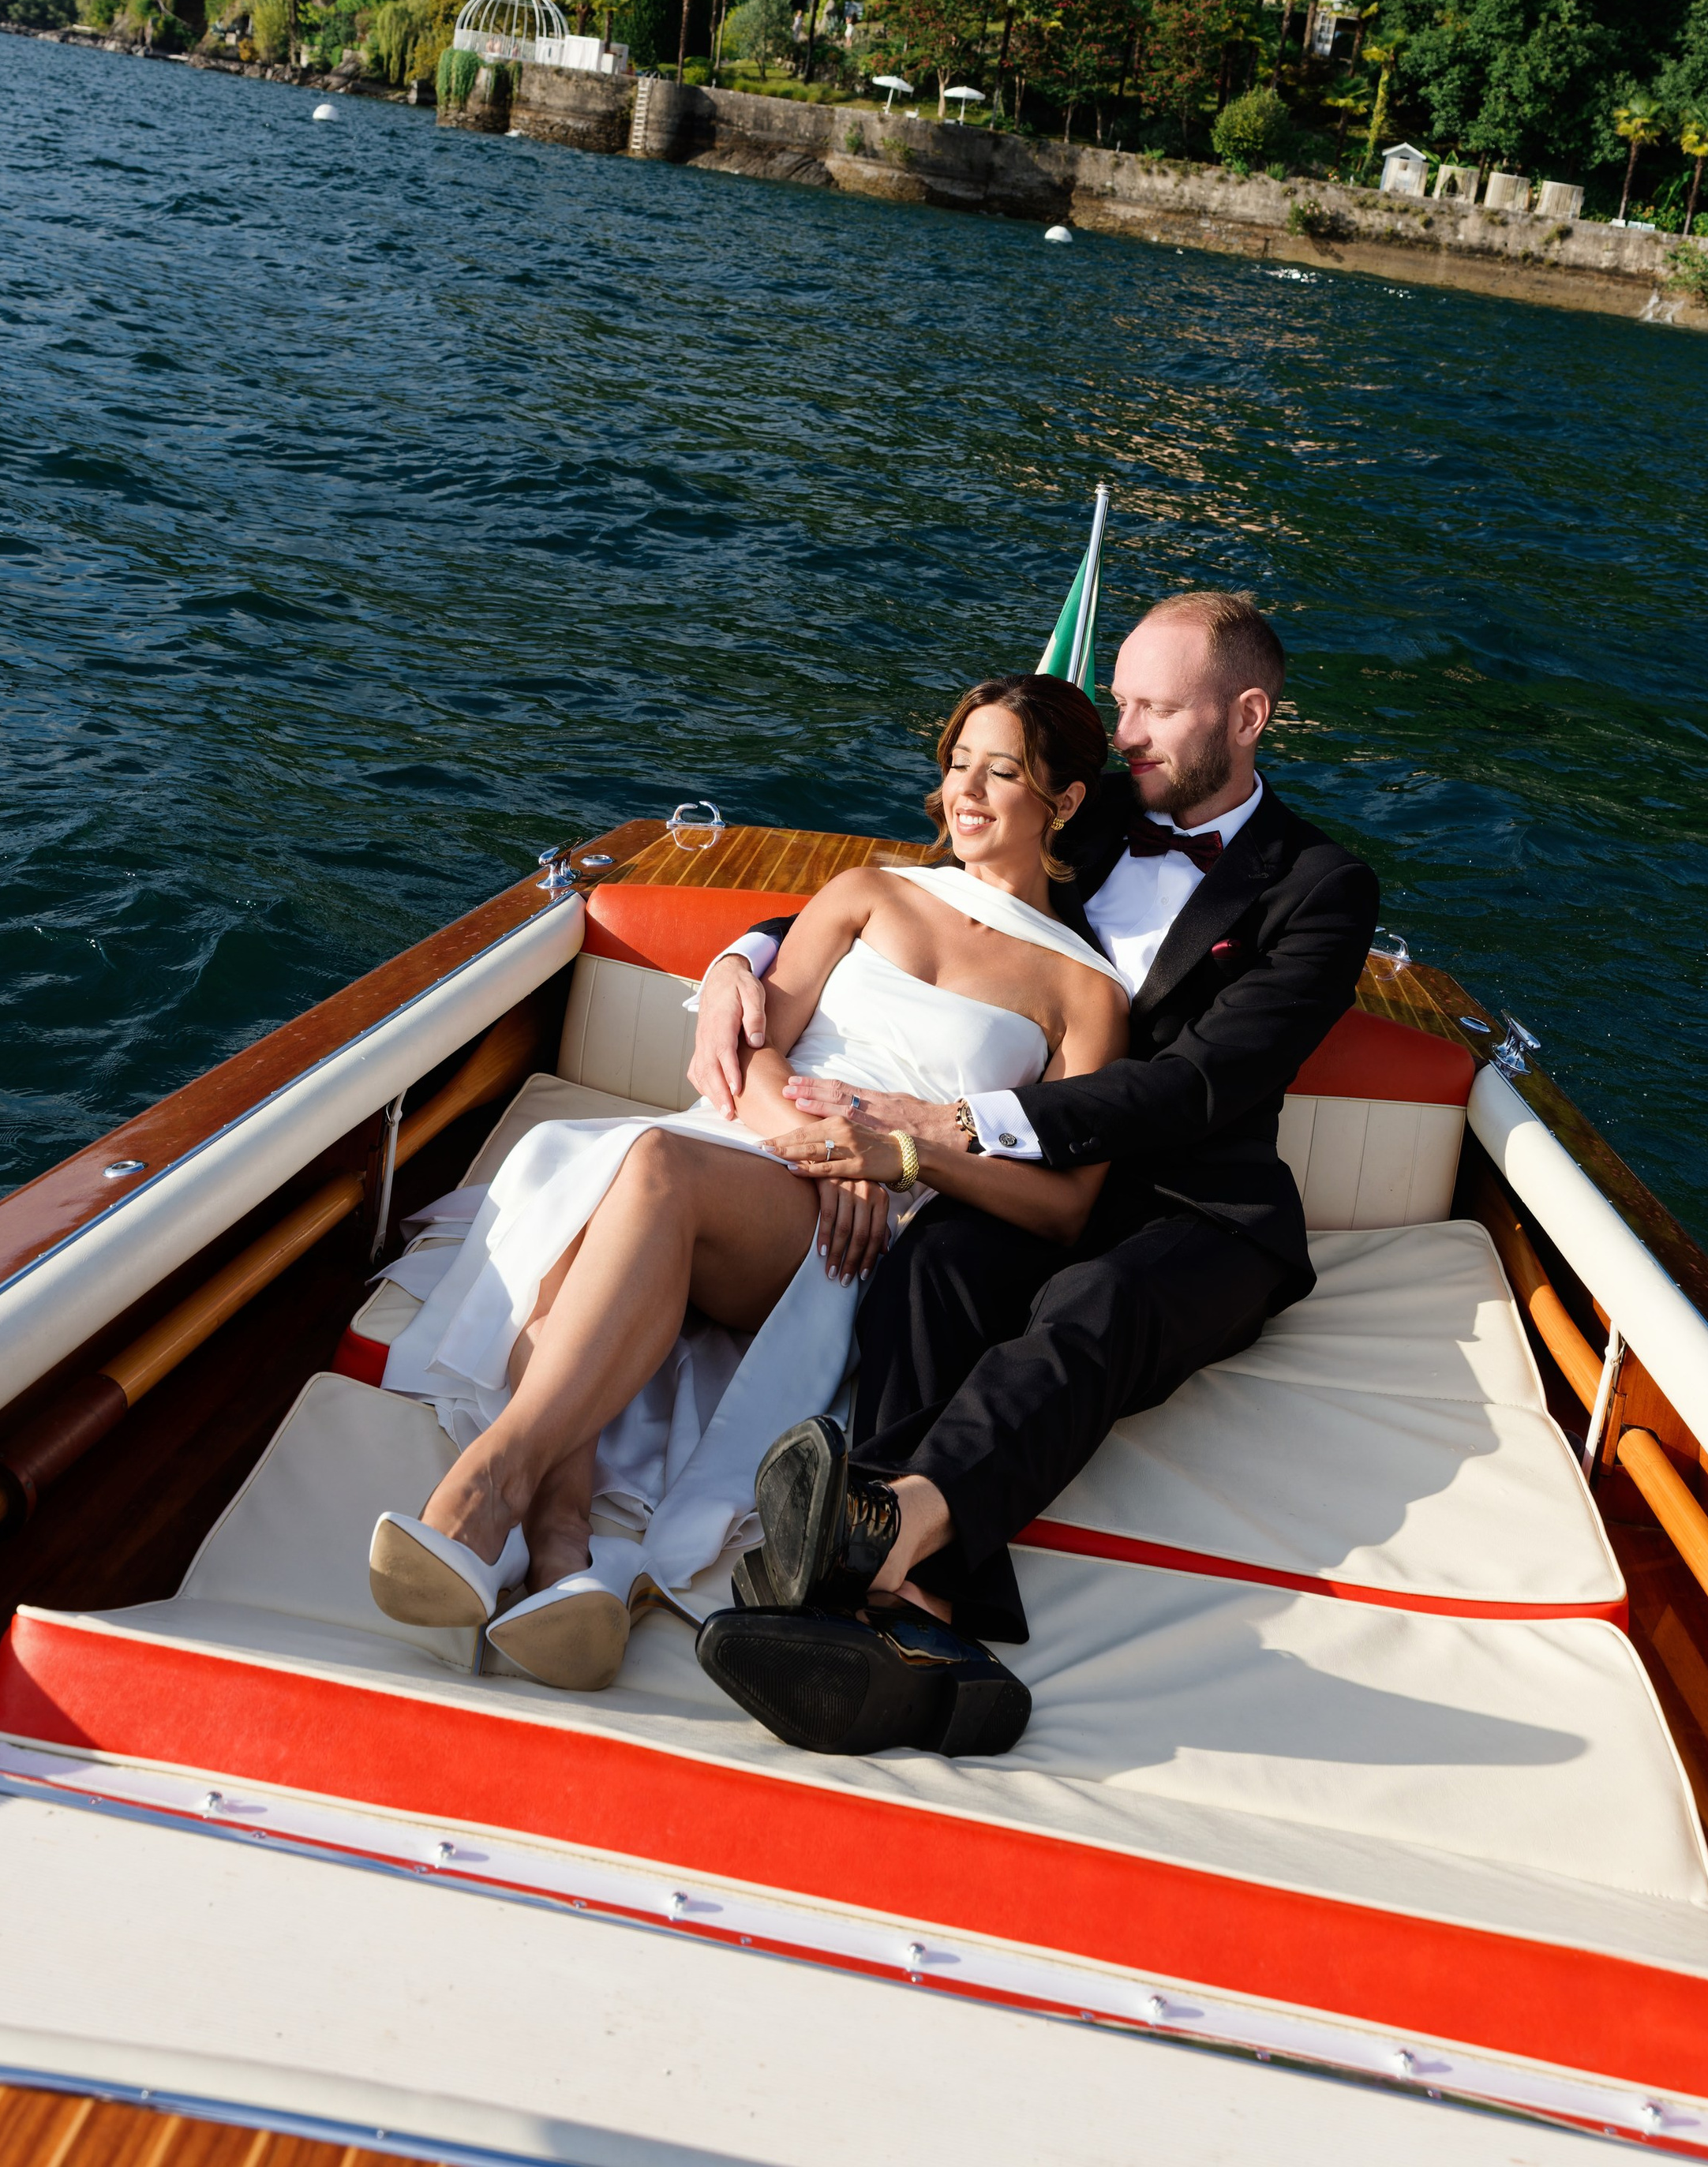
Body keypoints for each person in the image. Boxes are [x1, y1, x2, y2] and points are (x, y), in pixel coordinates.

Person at [689, 589, 1380, 1758]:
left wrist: (950, 1122)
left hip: (1193, 1204)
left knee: (1088, 1309)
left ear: (1250, 713)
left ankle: (886, 1528)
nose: (1128, 733)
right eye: (1120, 704)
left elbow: (1197, 1087)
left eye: (1156, 708)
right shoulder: (1089, 808)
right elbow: (925, 899)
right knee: (931, 1269)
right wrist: (739, 959)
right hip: (1025, 1176)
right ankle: (924, 1615)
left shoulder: (1322, 887)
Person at [364, 674, 1129, 1719]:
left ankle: (492, 1480)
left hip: (853, 1216)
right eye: (958, 764)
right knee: (615, 1169)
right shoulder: (871, 889)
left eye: (1003, 772)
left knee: (647, 1170)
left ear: (1068, 800)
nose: (970, 794)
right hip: (764, 1142)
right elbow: (756, 1044)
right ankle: (559, 1551)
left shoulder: (1084, 991)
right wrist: (817, 1138)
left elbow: (1063, 1205)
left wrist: (895, 1156)